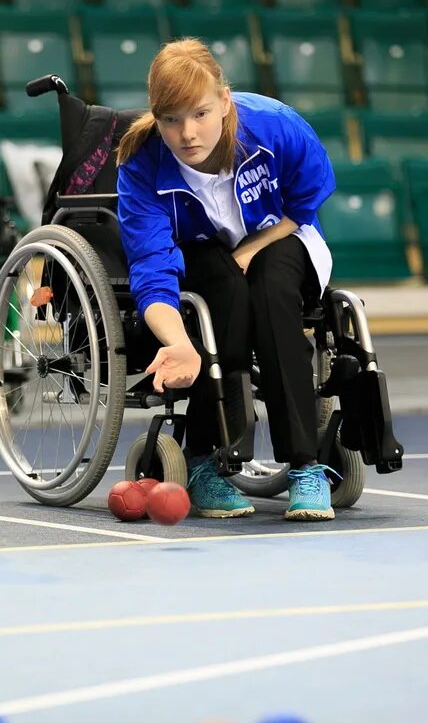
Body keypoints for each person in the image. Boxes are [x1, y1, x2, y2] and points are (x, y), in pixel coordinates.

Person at [116, 38, 340, 522]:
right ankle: (204, 461)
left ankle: (306, 466)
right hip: (204, 251)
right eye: (171, 119)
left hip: (282, 235)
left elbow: (301, 207)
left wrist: (251, 251)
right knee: (225, 304)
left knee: (272, 291)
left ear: (224, 101)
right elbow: (152, 270)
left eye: (199, 114)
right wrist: (179, 343)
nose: (187, 133)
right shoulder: (142, 166)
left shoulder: (276, 126)